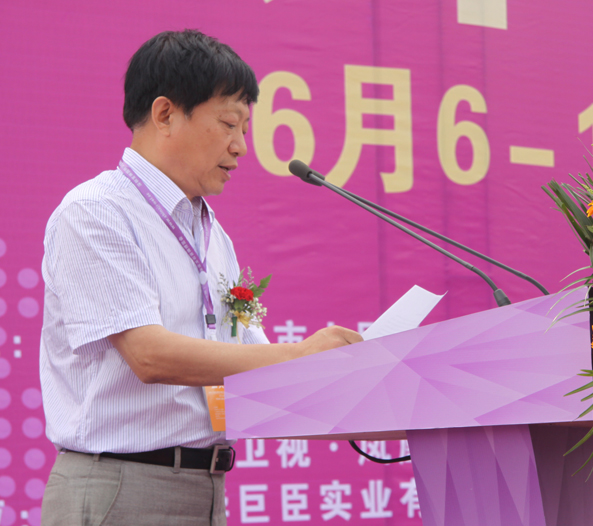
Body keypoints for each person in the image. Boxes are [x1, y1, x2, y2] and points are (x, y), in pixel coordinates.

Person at [39, 29, 362, 526]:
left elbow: (256, 367)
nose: (241, 147)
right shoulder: (96, 212)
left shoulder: (214, 237)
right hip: (120, 487)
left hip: (206, 489)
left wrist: (380, 399)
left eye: (246, 129)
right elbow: (149, 355)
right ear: (166, 114)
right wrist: (300, 353)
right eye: (230, 124)